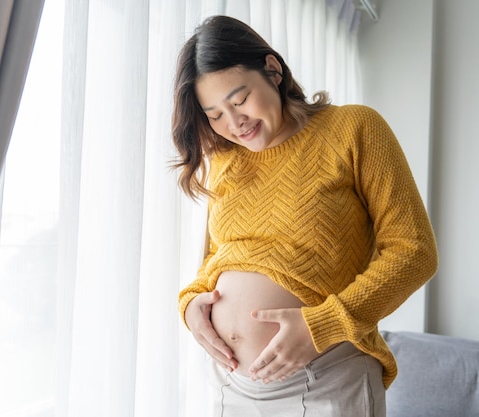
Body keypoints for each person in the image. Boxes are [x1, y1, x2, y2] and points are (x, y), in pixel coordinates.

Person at [172, 15, 438, 417]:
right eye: (214, 114)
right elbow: (218, 259)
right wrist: (191, 305)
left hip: (326, 380)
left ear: (272, 70)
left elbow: (414, 251)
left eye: (239, 99)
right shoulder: (223, 159)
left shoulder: (353, 128)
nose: (233, 122)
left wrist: (323, 326)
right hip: (231, 386)